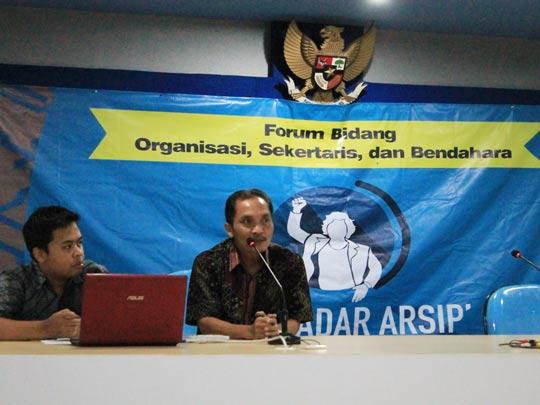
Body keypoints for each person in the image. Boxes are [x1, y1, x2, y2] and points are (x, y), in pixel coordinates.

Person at [186, 189, 312, 339]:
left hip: (269, 350)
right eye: (247, 222)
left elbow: (295, 318)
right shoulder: (207, 262)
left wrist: (274, 330)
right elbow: (205, 322)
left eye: (265, 221)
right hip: (220, 350)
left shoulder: (290, 262)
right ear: (230, 229)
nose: (258, 230)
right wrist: (249, 332)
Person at [0, 205, 106, 340]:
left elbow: (118, 317)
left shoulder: (93, 274)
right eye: (68, 246)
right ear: (40, 254)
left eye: (79, 243)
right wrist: (44, 329)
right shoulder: (16, 280)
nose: (79, 253)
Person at [287, 196, 382, 302]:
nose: (336, 229)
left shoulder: (362, 250)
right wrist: (296, 211)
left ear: (348, 230)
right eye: (333, 226)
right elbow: (294, 232)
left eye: (341, 227)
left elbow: (376, 267)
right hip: (318, 295)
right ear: (326, 229)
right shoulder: (315, 242)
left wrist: (366, 285)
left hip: (351, 296)